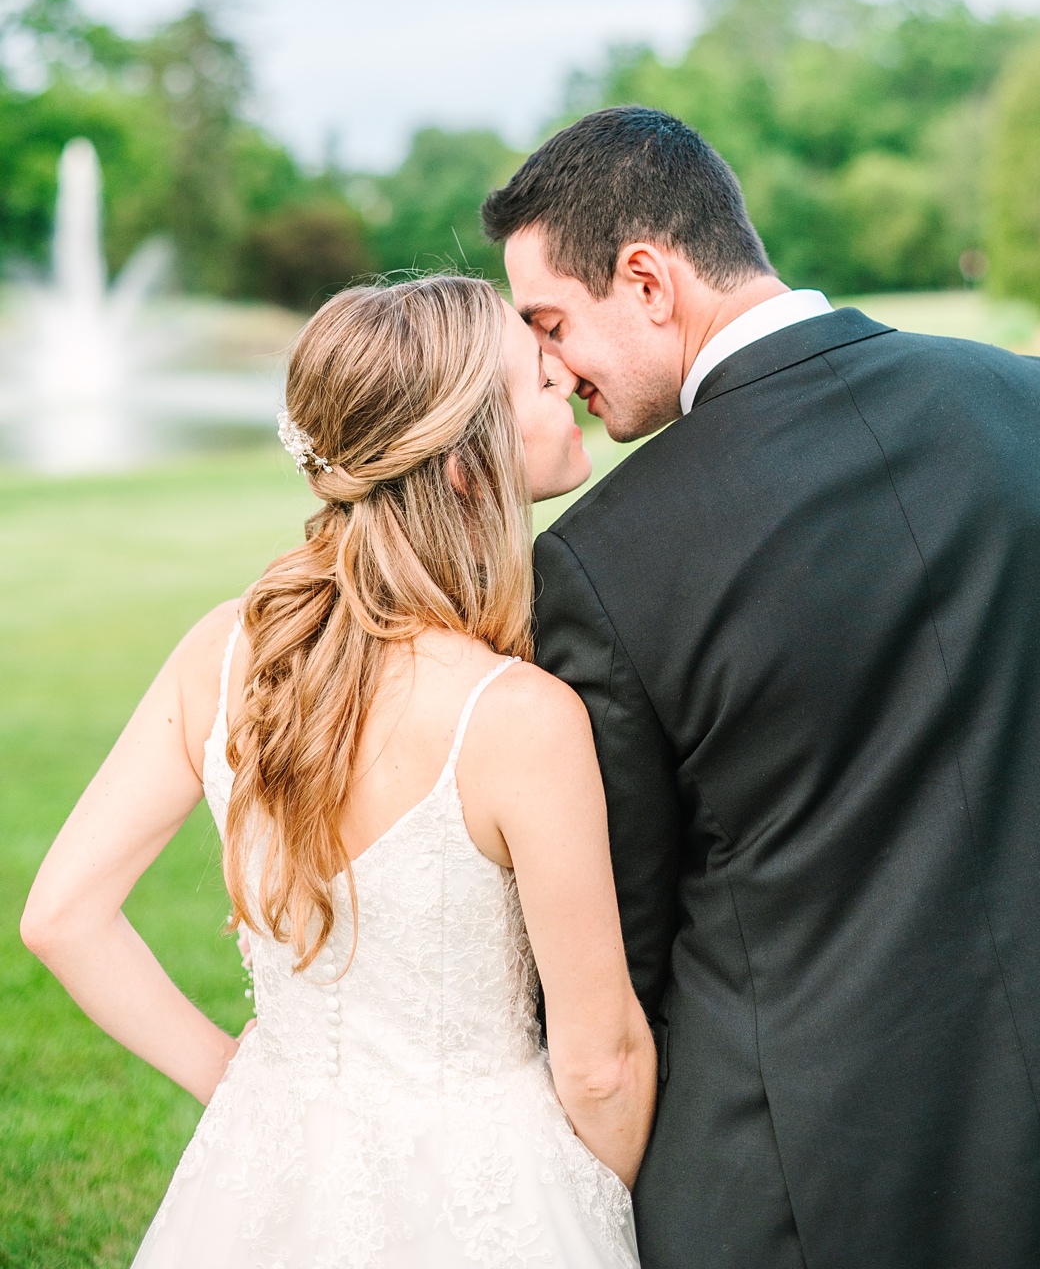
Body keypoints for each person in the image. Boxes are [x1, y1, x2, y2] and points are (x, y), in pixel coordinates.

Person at [479, 106, 1040, 1269]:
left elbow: (631, 944)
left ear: (649, 280)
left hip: (786, 1202)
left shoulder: (608, 557)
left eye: (553, 323)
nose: (554, 368)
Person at [20, 275, 650, 1265]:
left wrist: (242, 1081)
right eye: (538, 375)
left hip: (265, 1173)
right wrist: (584, 1209)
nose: (567, 373)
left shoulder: (222, 655)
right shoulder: (519, 716)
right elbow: (603, 1065)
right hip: (493, 1199)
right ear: (463, 462)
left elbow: (61, 913)